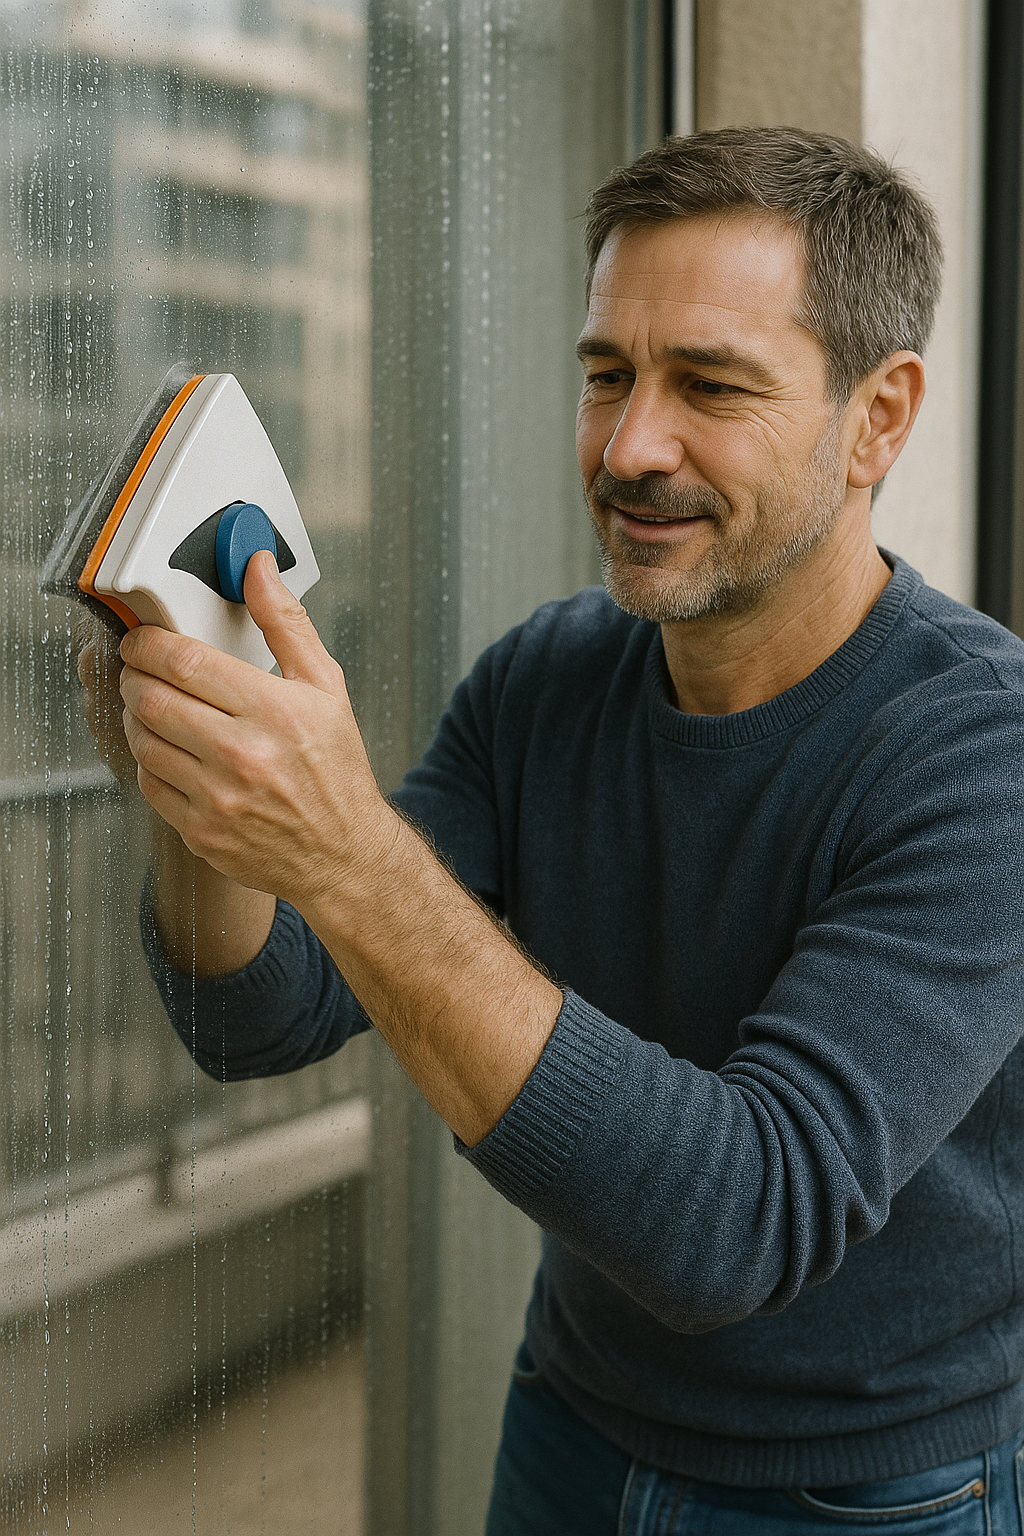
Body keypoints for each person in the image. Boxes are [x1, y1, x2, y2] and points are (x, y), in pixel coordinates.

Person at [84, 127, 1024, 1531]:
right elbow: (264, 1017)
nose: (632, 444)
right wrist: (202, 785)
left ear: (878, 418)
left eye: (709, 384)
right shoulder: (550, 675)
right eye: (607, 376)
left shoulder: (982, 756)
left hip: (874, 1491)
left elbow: (737, 1224)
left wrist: (346, 849)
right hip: (572, 1428)